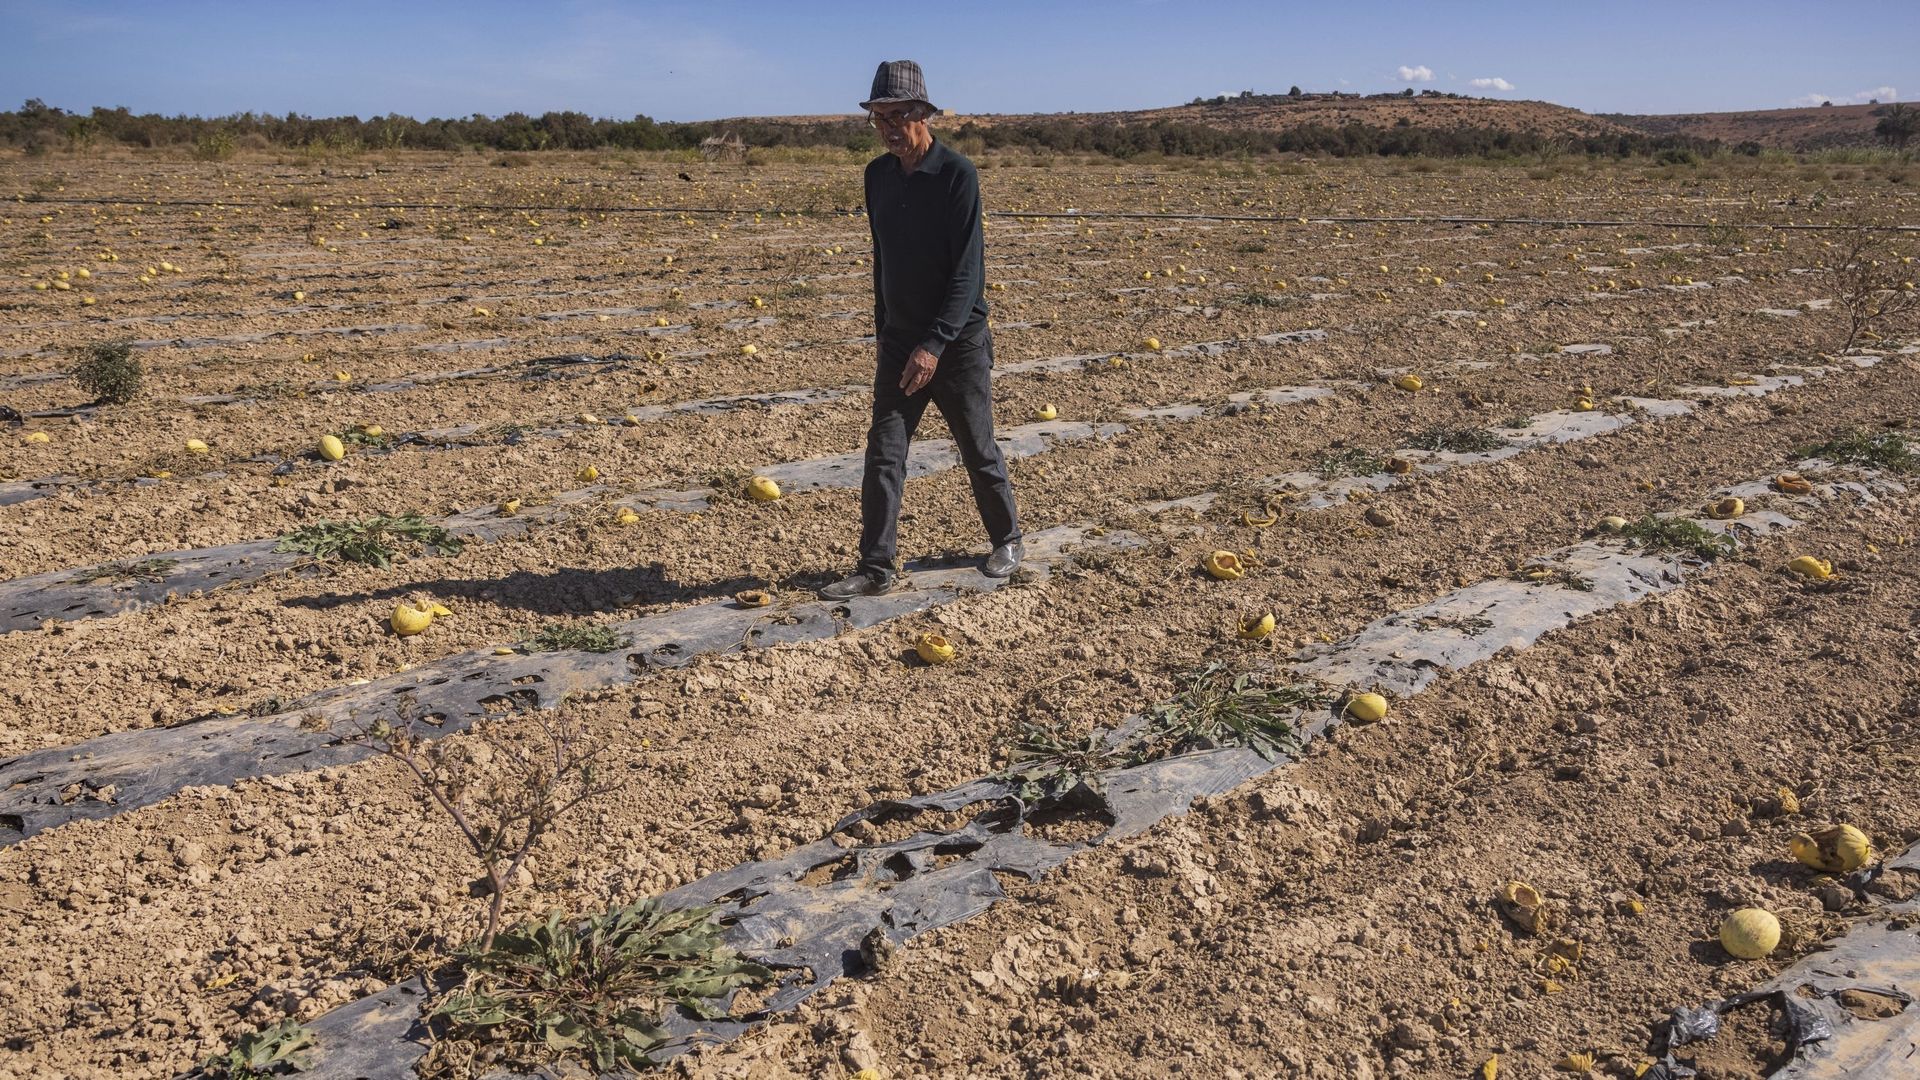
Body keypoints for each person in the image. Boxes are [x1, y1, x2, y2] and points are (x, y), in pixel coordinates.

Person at [819, 60, 1024, 600]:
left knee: (976, 446)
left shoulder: (958, 175)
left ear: (924, 114)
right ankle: (875, 567)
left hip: (955, 345)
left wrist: (933, 344)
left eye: (897, 115)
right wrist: (886, 329)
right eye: (877, 117)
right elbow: (882, 256)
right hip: (899, 343)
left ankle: (1007, 539)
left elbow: (968, 273)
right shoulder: (877, 176)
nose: (887, 128)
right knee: (884, 452)